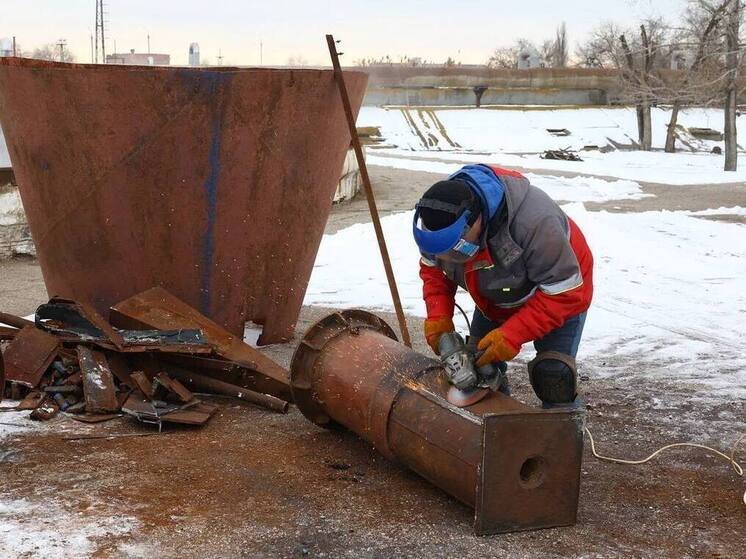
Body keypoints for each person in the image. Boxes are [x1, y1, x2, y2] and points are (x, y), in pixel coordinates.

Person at [412, 164, 593, 405]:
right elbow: (434, 271)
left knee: (553, 376)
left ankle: (565, 436)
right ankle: (497, 426)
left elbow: (564, 293)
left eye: (455, 249)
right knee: (476, 371)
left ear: (475, 221)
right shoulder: (436, 223)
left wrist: (512, 335)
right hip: (496, 293)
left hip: (557, 291)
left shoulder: (536, 222)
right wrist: (439, 317)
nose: (449, 257)